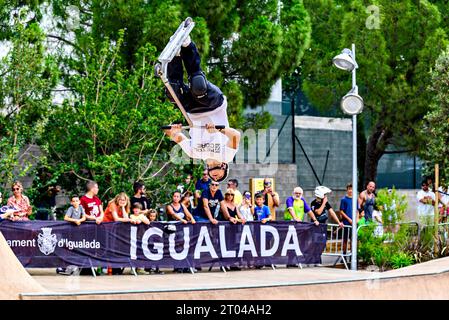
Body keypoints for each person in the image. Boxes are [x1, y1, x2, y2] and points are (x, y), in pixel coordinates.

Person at [163, 38, 241, 183]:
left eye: (213, 178)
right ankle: (187, 45)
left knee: (173, 92)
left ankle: (176, 56)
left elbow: (175, 136)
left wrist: (174, 130)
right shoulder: (226, 156)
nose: (215, 177)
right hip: (214, 105)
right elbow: (236, 136)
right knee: (198, 85)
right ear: (224, 167)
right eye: (219, 177)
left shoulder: (195, 153)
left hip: (192, 111)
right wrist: (219, 130)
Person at [339, 183, 360, 253]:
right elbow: (341, 211)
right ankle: (344, 255)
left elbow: (357, 210)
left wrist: (356, 219)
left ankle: (352, 255)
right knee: (345, 240)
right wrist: (349, 219)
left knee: (353, 240)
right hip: (346, 223)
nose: (351, 191)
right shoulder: (344, 199)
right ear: (347, 190)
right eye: (349, 189)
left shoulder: (355, 199)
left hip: (354, 224)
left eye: (352, 189)